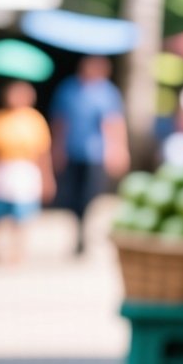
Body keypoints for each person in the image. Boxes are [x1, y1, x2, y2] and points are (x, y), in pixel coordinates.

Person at [51, 56, 128, 255]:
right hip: (72, 151)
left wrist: (117, 150)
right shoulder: (68, 90)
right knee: (72, 196)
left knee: (89, 195)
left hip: (95, 155)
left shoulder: (107, 93)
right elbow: (60, 122)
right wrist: (57, 150)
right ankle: (77, 230)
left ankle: (83, 231)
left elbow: (113, 123)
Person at [0, 81, 55, 265]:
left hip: (25, 170)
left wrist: (47, 178)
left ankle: (17, 250)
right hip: (4, 168)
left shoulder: (35, 120)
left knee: (22, 215)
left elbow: (43, 153)